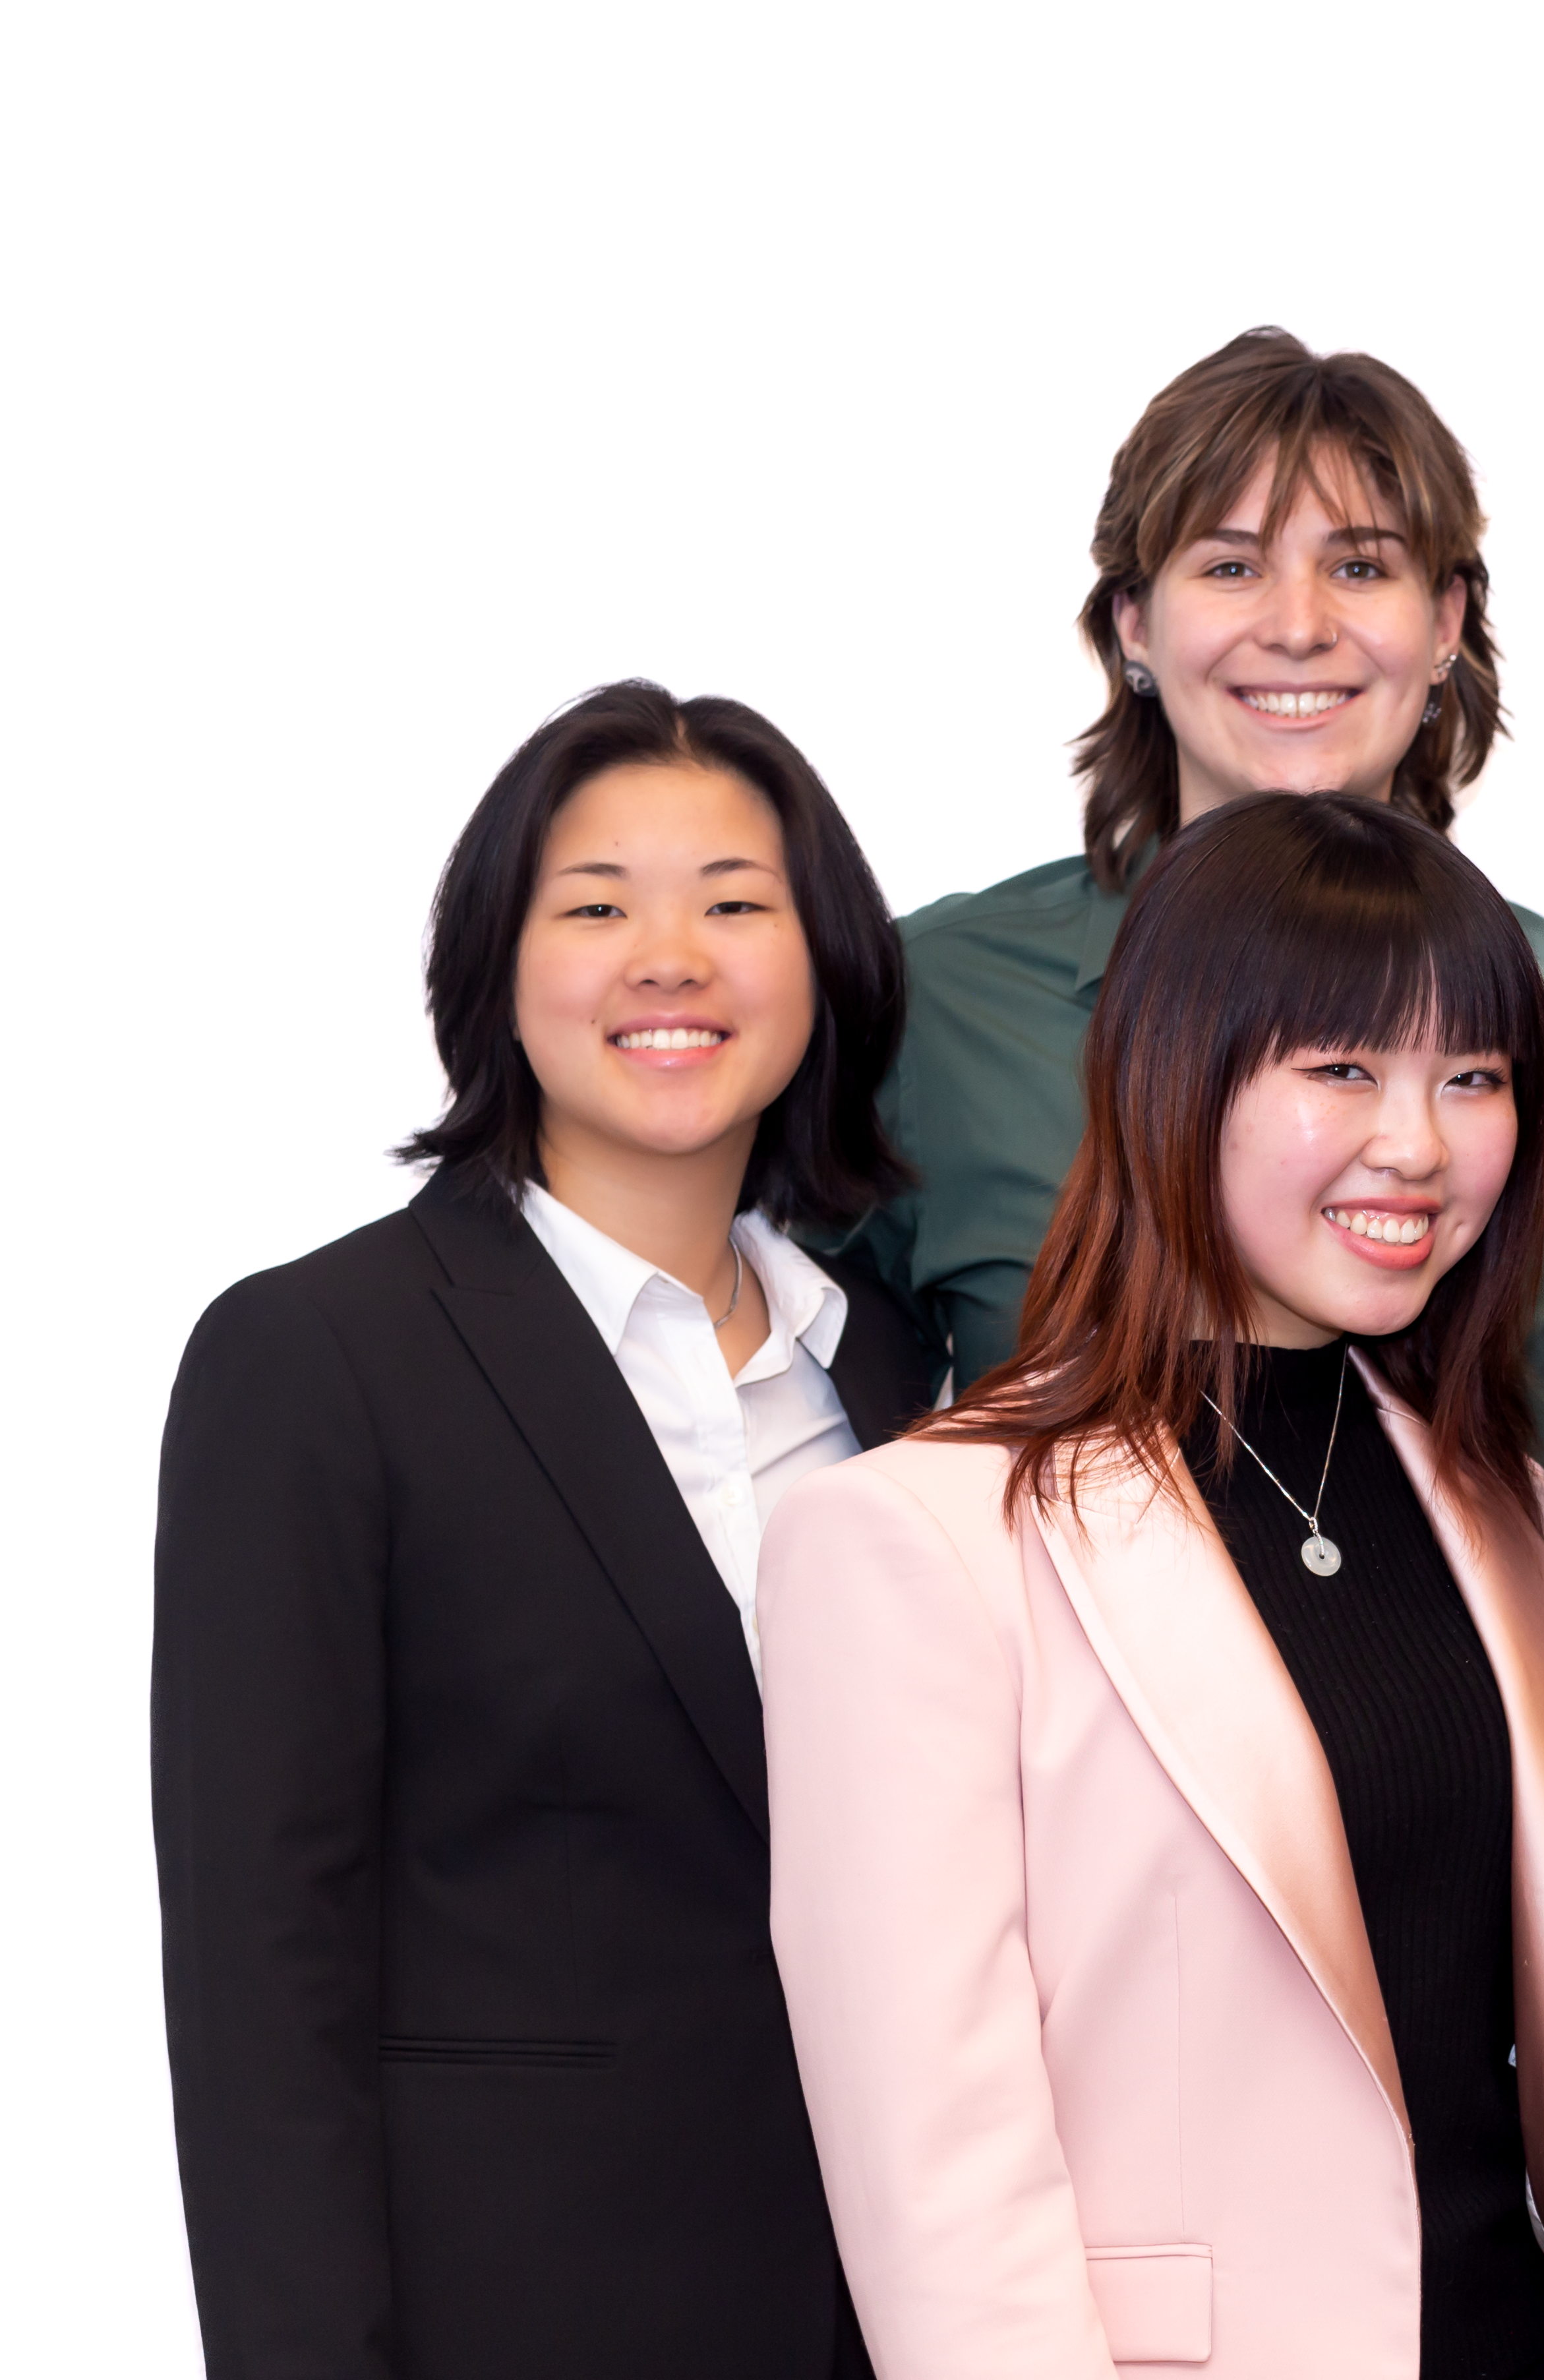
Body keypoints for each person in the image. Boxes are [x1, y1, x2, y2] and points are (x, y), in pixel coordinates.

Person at [761, 792, 1544, 2380]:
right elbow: (938, 2188)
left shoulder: (1510, 1515)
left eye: (1473, 1077)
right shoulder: (915, 1538)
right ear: (1174, 1077)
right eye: (1343, 1068)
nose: (1419, 1144)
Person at [153, 681, 932, 2379]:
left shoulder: (892, 1371)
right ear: (499, 970)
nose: (672, 956)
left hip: (875, 2318)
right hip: (507, 2318)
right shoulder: (316, 1361)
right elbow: (257, 1982)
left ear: (831, 967)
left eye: (737, 903)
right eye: (597, 907)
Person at [836, 326, 1544, 1450]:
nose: (1299, 627)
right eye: (1230, 566)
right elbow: (796, 1389)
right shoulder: (939, 999)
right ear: (1132, 627)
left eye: (1360, 567)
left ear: (1445, 621)